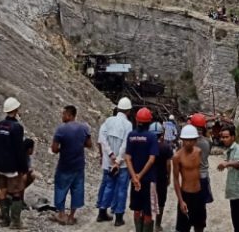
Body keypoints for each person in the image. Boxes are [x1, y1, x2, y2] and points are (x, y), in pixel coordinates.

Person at [50, 105, 92, 225]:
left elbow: (54, 149)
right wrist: (78, 145)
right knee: (77, 189)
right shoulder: (84, 128)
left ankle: (62, 214)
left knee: (60, 188)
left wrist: (62, 149)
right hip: (78, 165)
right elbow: (89, 144)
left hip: (65, 165)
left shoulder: (61, 129)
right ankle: (72, 216)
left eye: (63, 114)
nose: (62, 116)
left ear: (69, 115)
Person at [97, 97, 134, 226]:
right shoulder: (128, 125)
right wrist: (118, 160)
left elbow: (102, 139)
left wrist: (110, 154)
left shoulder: (108, 121)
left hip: (109, 162)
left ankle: (102, 212)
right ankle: (118, 218)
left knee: (109, 186)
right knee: (122, 190)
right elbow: (125, 145)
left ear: (118, 108)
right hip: (122, 165)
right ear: (128, 111)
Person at [0, 97, 28, 229]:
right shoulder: (17, 127)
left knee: (3, 191)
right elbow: (19, 150)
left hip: (1, 165)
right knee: (16, 192)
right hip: (13, 167)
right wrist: (23, 167)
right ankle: (15, 222)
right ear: (16, 109)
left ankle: (5, 220)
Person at [125, 107, 159, 232]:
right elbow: (152, 159)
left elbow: (127, 158)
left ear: (137, 120)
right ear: (149, 122)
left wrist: (134, 176)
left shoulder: (131, 135)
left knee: (137, 209)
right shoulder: (152, 137)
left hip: (135, 182)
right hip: (148, 180)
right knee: (148, 211)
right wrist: (140, 175)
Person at [217, 125, 239, 232]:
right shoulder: (231, 150)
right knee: (237, 222)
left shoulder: (238, 148)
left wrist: (227, 164)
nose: (224, 139)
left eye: (226, 137)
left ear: (233, 137)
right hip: (235, 192)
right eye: (222, 137)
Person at [173, 124, 206, 232]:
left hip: (199, 193)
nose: (189, 143)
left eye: (191, 140)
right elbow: (176, 179)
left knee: (200, 225)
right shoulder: (177, 156)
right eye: (186, 140)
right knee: (183, 227)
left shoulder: (198, 151)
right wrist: (181, 201)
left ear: (196, 140)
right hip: (186, 195)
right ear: (182, 140)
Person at [149, 122, 173, 232]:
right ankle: (157, 225)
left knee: (150, 200)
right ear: (161, 134)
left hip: (150, 177)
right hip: (162, 177)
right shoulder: (166, 147)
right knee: (161, 201)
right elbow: (168, 164)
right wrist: (169, 177)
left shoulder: (147, 146)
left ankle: (149, 224)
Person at [189, 113, 213, 205]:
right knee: (201, 205)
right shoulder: (208, 141)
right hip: (203, 175)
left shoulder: (188, 142)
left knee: (191, 204)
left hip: (190, 176)